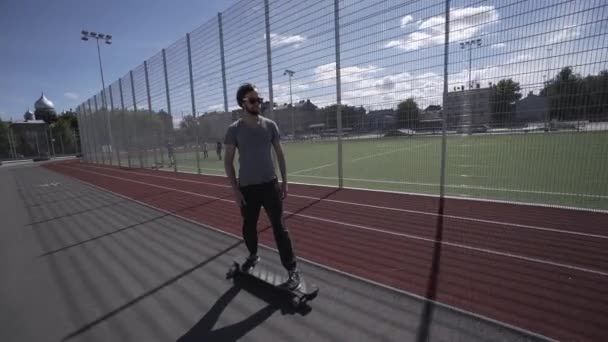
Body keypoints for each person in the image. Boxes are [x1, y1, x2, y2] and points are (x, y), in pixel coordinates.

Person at [223, 83, 300, 290]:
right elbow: (228, 161)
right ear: (243, 103)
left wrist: (284, 182)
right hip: (247, 188)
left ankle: (292, 270)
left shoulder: (270, 125)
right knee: (249, 226)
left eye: (259, 100)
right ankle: (253, 254)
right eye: (253, 100)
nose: (258, 103)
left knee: (279, 228)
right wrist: (235, 191)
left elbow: (281, 154)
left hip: (270, 185)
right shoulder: (234, 130)